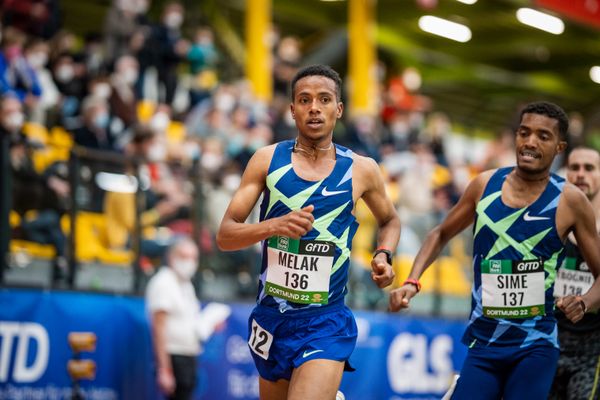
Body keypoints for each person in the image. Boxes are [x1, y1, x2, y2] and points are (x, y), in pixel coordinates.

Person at [389, 101, 600, 400]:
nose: (530, 142)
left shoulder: (570, 201)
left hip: (535, 345)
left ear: (559, 147)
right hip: (484, 344)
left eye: (543, 136)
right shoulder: (484, 185)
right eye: (524, 132)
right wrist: (412, 281)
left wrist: (584, 300)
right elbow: (440, 233)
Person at [217, 64, 401, 400]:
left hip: (325, 319)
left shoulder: (362, 169)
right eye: (304, 100)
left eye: (324, 99)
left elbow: (390, 220)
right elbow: (226, 235)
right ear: (292, 110)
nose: (314, 107)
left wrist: (383, 255)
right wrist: (274, 225)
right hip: (271, 318)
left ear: (338, 109)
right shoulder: (265, 160)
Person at [549, 146, 600, 400]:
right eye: (574, 167)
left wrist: (584, 302)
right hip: (550, 341)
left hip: (592, 348)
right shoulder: (550, 223)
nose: (581, 174)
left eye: (589, 168)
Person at [145, 237, 202, 400]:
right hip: (173, 357)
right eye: (184, 256)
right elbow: (158, 327)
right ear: (171, 257)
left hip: (188, 355)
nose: (189, 262)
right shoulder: (163, 282)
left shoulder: (186, 284)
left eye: (193, 258)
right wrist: (164, 369)